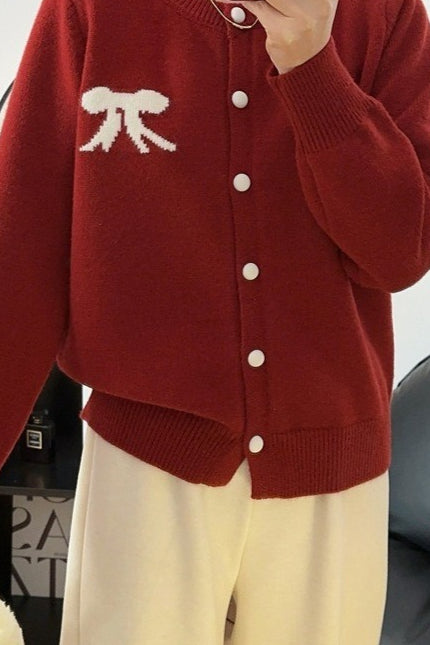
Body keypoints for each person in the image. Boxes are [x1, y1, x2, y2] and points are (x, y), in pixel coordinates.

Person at [1, 0, 430, 642]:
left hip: (332, 478)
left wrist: (312, 68)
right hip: (143, 467)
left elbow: (398, 254)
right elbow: (20, 254)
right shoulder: (92, 10)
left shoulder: (386, 13)